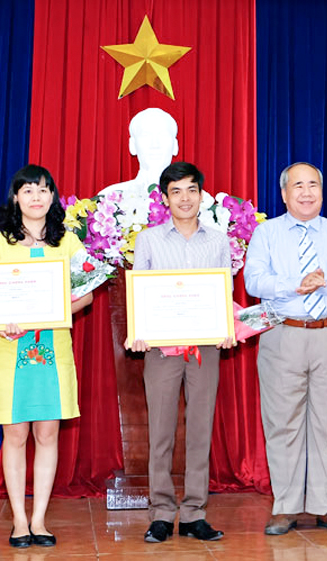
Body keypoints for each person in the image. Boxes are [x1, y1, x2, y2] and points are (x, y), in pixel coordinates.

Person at [244, 162, 327, 535]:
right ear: (284, 194)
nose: (306, 192)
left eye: (313, 184)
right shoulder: (266, 233)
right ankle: (286, 506)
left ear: (322, 192)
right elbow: (254, 280)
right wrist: (295, 284)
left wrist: (325, 282)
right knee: (283, 423)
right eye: (298, 185)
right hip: (284, 334)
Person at [0, 165, 93, 548]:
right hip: (10, 350)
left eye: (43, 190)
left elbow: (88, 294)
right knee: (14, 435)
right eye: (27, 190)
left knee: (47, 434)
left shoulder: (69, 243)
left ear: (52, 198)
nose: (35, 197)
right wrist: (1, 320)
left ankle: (40, 520)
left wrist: (58, 312)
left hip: (52, 349)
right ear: (16, 198)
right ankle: (18, 521)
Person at [126, 162, 233, 543]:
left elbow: (225, 292)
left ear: (202, 195)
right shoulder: (150, 239)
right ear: (165, 198)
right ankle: (161, 513)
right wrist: (138, 331)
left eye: (191, 190)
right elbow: (139, 290)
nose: (185, 198)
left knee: (201, 430)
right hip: (161, 349)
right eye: (176, 191)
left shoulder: (219, 240)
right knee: (161, 432)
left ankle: (193, 514)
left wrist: (225, 328)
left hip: (206, 347)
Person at [98, 108, 179, 196]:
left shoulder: (192, 201)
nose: (155, 145)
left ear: (175, 145)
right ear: (132, 145)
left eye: (163, 135)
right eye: (146, 136)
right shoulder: (110, 197)